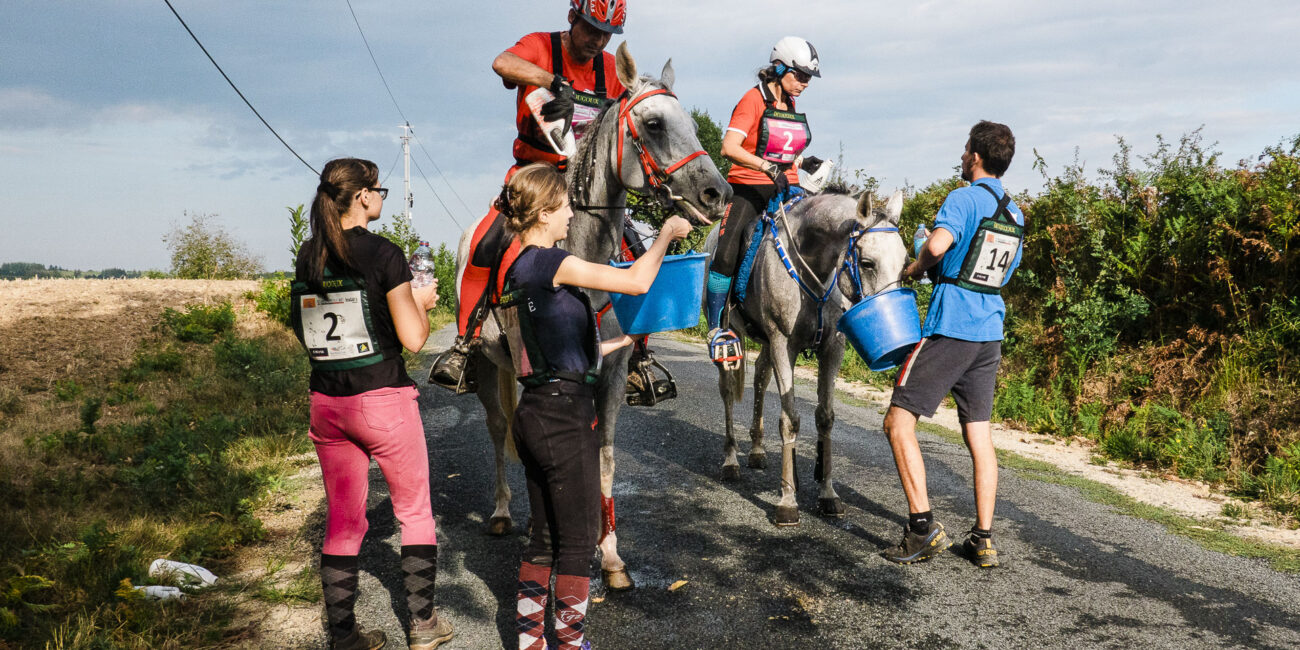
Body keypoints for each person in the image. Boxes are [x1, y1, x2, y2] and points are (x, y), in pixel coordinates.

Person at [495, 164, 691, 650]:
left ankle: (531, 642)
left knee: (544, 536)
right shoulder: (549, 261)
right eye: (564, 207)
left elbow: (552, 350)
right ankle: (567, 642)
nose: (570, 216)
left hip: (539, 407)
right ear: (543, 212)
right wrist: (666, 233)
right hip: (562, 417)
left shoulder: (522, 268)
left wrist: (616, 343)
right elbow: (639, 282)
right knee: (581, 539)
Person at [290, 158, 454, 649]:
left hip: (327, 403)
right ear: (362, 196)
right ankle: (424, 626)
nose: (381, 195)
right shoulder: (385, 253)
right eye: (378, 188)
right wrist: (422, 307)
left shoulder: (308, 254)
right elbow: (414, 339)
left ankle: (343, 636)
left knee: (343, 521)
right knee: (414, 512)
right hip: (383, 401)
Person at [430, 0, 628, 389]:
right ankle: (466, 345)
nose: (598, 40)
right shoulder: (541, 45)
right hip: (532, 178)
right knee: (485, 244)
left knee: (634, 247)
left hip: (587, 187)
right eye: (591, 28)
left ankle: (638, 355)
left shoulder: (610, 69)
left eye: (607, 34)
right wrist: (553, 82)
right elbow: (502, 63)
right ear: (572, 18)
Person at [880, 121, 1023, 568]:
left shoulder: (962, 199)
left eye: (965, 151)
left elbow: (939, 246)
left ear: (976, 156)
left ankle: (921, 529)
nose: (962, 158)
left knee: (898, 422)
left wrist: (918, 264)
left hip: (952, 326)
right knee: (978, 434)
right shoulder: (1016, 213)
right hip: (990, 332)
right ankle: (983, 539)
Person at [704, 36, 829, 367]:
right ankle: (717, 330)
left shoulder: (790, 105)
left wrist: (803, 162)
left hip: (787, 188)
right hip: (750, 189)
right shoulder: (753, 100)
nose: (804, 83)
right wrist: (765, 166)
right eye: (799, 75)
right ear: (779, 68)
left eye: (807, 78)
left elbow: (785, 151)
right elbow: (729, 146)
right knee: (727, 253)